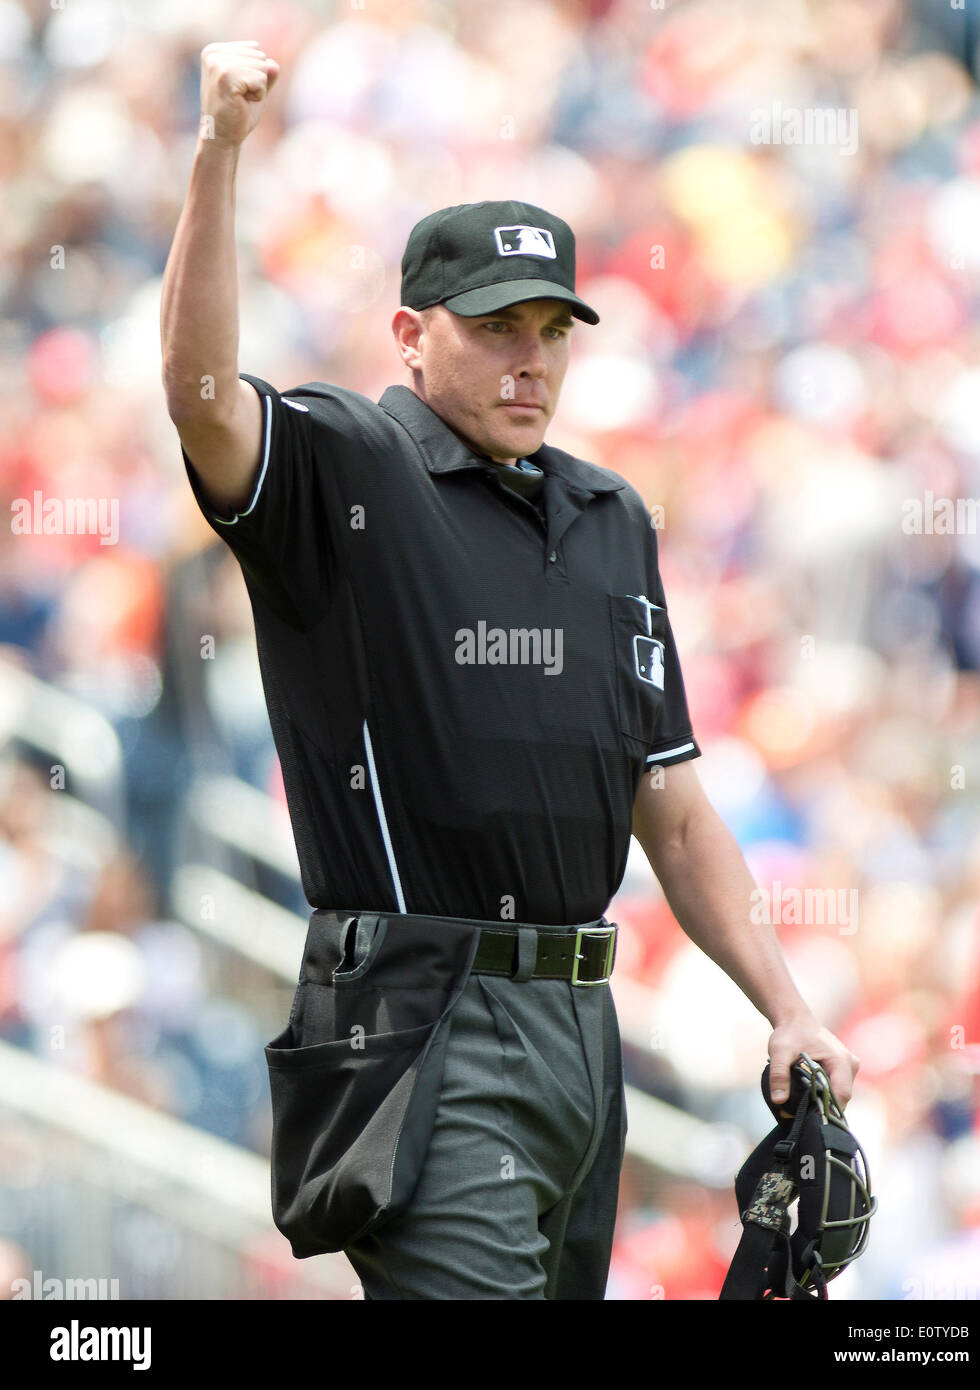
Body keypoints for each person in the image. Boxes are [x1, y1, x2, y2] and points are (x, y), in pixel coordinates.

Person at [160, 39, 860, 1300]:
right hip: (425, 1014)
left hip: (581, 1034)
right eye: (493, 329)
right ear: (410, 335)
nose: (528, 357)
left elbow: (674, 805)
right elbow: (205, 400)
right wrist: (218, 154)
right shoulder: (349, 463)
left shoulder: (609, 517)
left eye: (551, 330)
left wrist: (785, 1003)